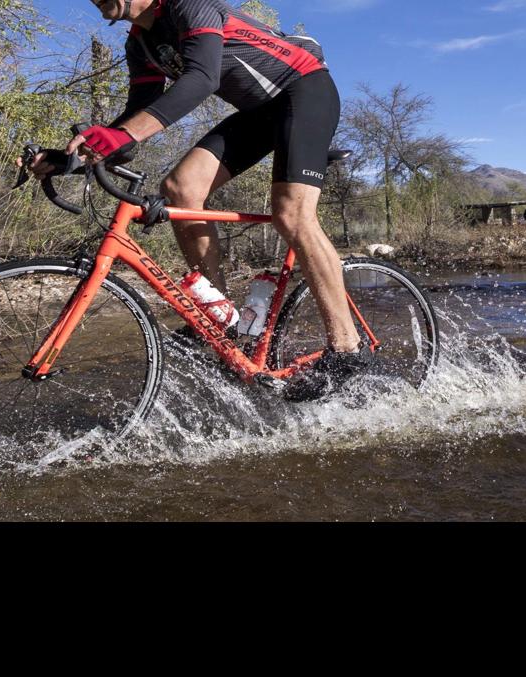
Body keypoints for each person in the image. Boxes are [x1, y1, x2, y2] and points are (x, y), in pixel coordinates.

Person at [29, 0, 364, 400]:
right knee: (181, 189)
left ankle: (347, 350)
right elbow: (137, 117)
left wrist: (122, 135)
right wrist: (68, 159)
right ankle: (217, 317)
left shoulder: (192, 5)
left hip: (303, 90)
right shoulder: (141, 43)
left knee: (291, 215)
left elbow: (202, 77)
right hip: (259, 112)